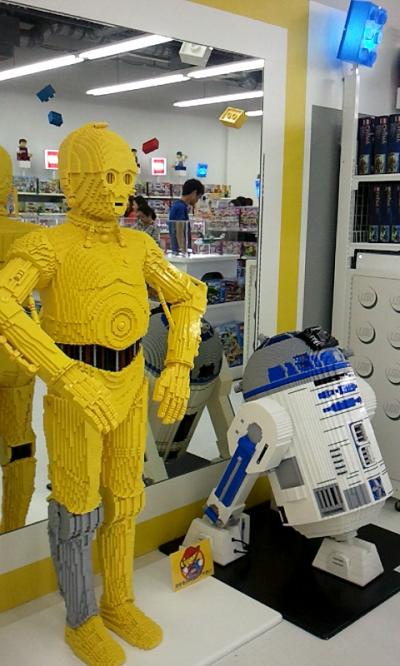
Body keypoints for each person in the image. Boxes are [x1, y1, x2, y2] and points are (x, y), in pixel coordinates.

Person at [0, 122, 207, 665]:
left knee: (126, 497)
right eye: (107, 177)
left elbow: (189, 295)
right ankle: (81, 618)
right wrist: (63, 375)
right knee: (77, 508)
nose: (119, 191)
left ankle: (118, 600)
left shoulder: (139, 245)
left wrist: (179, 364)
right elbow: (3, 303)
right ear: (72, 181)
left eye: (126, 178)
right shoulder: (48, 245)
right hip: (77, 389)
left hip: (130, 379)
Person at [168, 178, 205, 254]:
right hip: (180, 253)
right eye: (198, 197)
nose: (197, 200)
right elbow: (179, 232)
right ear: (194, 193)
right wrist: (184, 251)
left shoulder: (178, 205)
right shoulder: (181, 207)